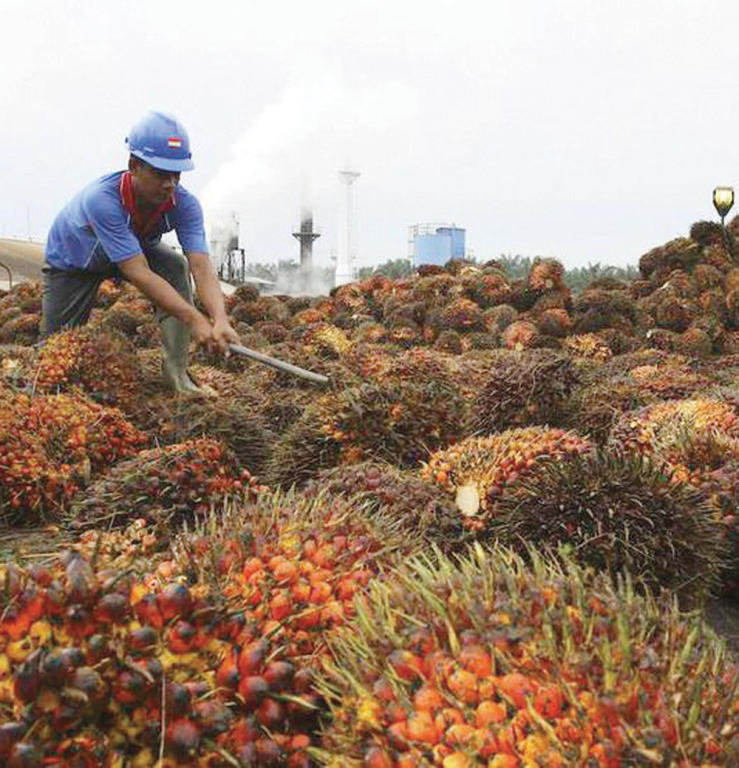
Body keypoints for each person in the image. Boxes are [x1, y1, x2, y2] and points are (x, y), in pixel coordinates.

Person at [42, 110, 239, 395]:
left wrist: (220, 318)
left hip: (132, 247)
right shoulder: (103, 200)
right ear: (133, 165)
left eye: (176, 175)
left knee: (175, 266)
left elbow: (201, 265)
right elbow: (137, 271)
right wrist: (194, 318)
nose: (169, 184)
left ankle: (176, 372)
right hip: (75, 261)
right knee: (54, 351)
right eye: (160, 174)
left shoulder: (184, 204)